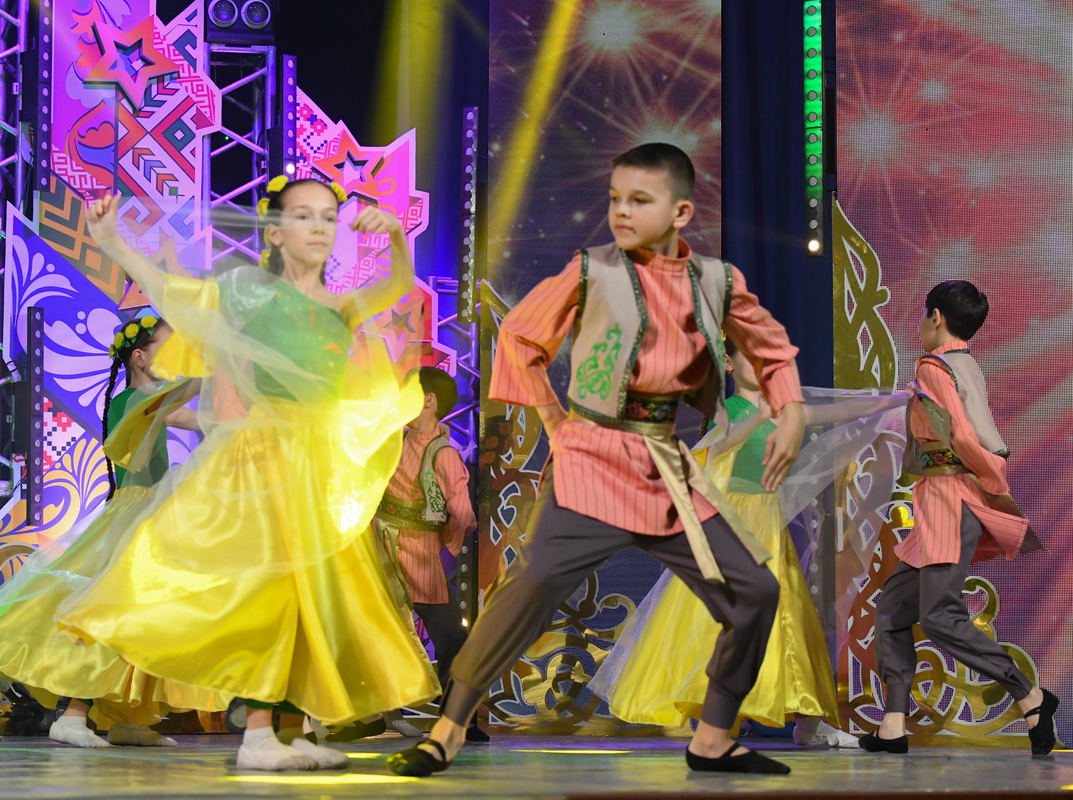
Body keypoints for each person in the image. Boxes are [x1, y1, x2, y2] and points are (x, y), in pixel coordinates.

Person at [389, 142, 806, 777]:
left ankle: (714, 737)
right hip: (591, 459)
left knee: (755, 590)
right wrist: (553, 418)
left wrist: (792, 410)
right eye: (615, 199)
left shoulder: (717, 281)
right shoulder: (592, 271)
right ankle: (448, 729)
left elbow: (772, 349)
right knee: (532, 585)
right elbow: (520, 334)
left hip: (663, 465)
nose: (621, 211)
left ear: (681, 212)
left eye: (639, 200)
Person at [61, 176, 439, 771]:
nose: (319, 228)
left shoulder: (338, 305)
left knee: (312, 600)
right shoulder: (249, 295)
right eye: (303, 216)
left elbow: (395, 286)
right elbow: (174, 292)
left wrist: (394, 236)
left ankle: (291, 731)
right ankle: (258, 733)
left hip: (317, 463)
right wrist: (112, 241)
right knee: (271, 591)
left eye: (328, 217)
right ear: (276, 231)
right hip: (264, 457)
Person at [592, 338, 906, 747]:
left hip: (767, 527)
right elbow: (719, 445)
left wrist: (894, 400)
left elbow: (838, 411)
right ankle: (722, 718)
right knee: (720, 623)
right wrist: (759, 414)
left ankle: (810, 724)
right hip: (733, 528)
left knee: (788, 621)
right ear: (728, 363)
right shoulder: (729, 410)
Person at [0, 316, 224, 748]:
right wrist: (222, 361)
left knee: (148, 618)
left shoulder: (151, 402)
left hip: (153, 517)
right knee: (113, 616)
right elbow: (184, 397)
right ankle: (73, 715)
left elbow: (199, 416)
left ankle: (130, 718)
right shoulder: (134, 400)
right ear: (140, 357)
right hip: (135, 521)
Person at [860, 280, 1056, 755]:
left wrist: (994, 480)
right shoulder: (965, 364)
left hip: (950, 499)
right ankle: (893, 725)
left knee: (940, 617)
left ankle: (1029, 696)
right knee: (892, 611)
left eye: (923, 316)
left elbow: (963, 436)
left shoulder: (933, 366)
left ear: (935, 318)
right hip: (941, 499)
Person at [368, 366, 482, 741]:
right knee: (377, 631)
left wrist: (439, 541)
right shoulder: (395, 440)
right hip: (381, 544)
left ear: (428, 401)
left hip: (414, 551)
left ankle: (457, 718)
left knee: (449, 635)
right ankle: (382, 713)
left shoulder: (443, 453)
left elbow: (463, 513)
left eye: (411, 394)